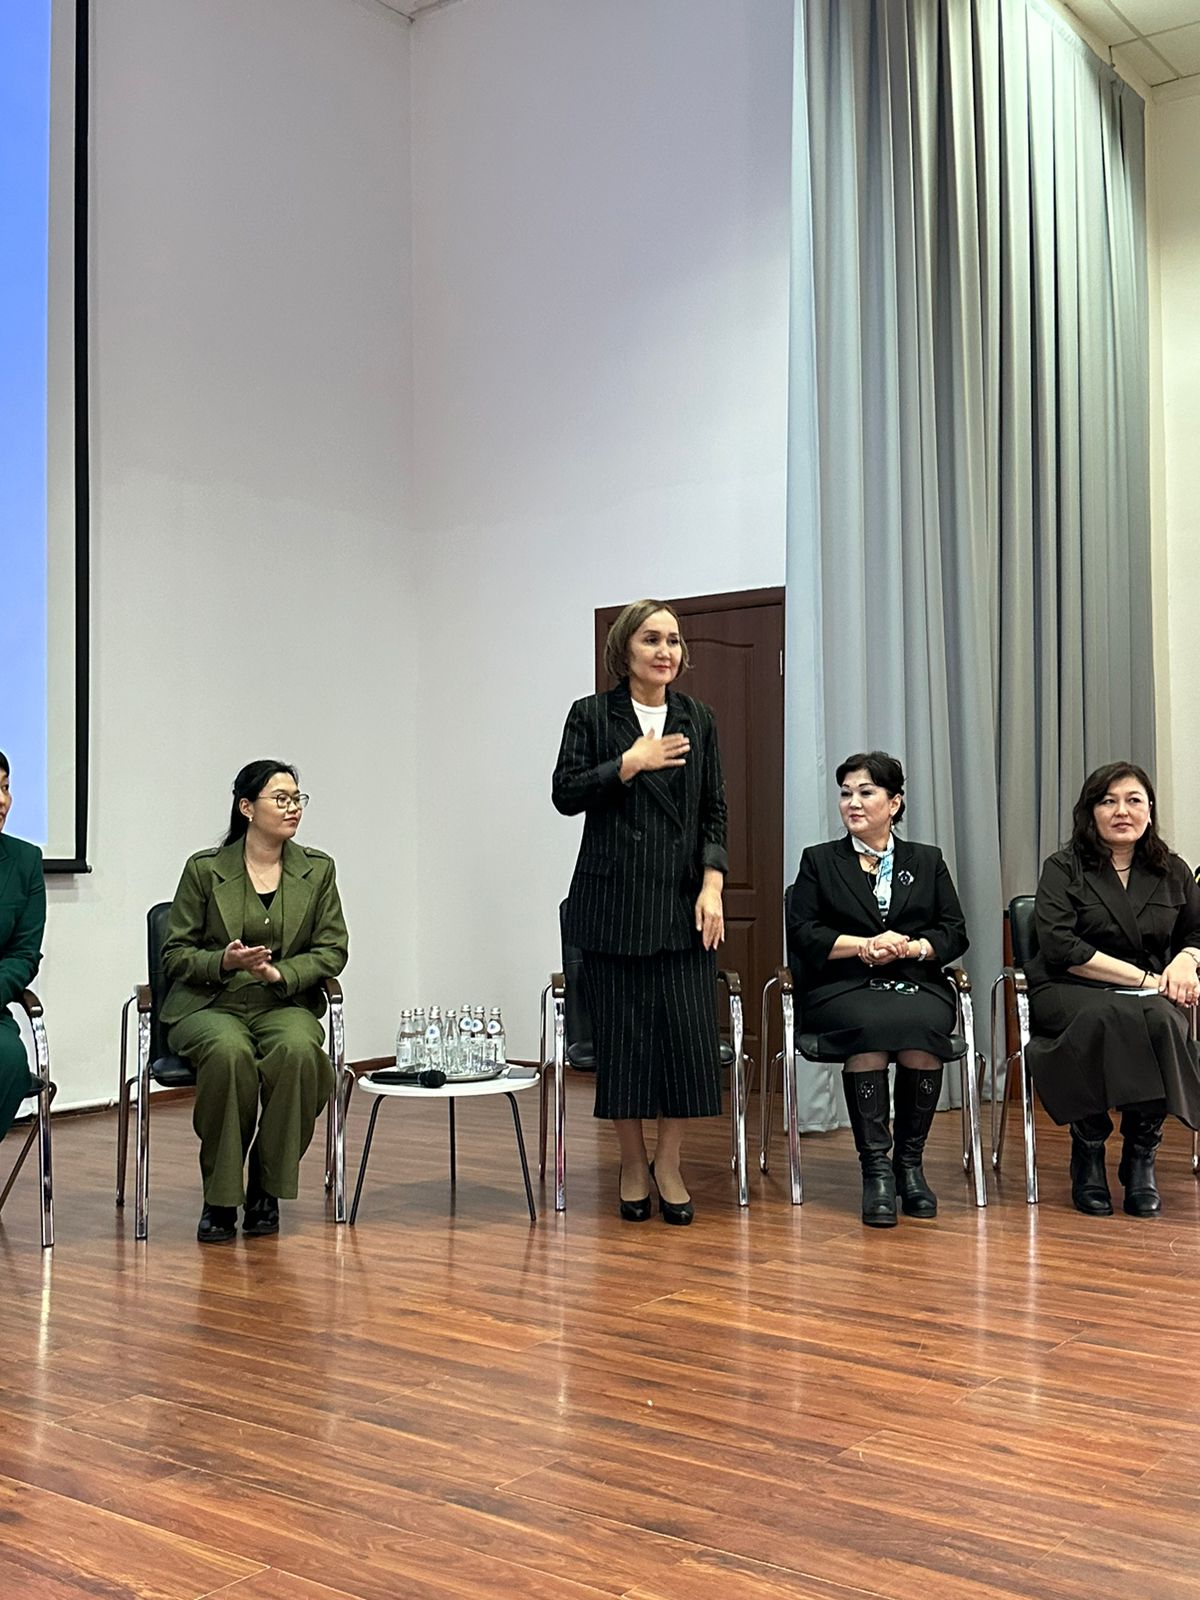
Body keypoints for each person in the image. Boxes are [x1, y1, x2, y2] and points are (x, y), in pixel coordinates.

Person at [552, 599, 727, 1225]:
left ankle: (669, 1163)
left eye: (674, 641)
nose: (665, 651)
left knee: (686, 1042)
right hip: (613, 902)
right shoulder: (591, 714)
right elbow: (565, 793)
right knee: (623, 1045)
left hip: (684, 903)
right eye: (652, 639)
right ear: (624, 649)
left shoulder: (698, 718)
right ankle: (631, 1162)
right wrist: (630, 763)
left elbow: (714, 809)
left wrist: (713, 884)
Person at [161, 761, 348, 1244]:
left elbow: (333, 949)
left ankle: (266, 1186)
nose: (292, 808)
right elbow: (175, 954)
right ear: (246, 808)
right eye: (280, 799)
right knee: (229, 1053)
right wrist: (223, 961)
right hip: (210, 1004)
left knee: (300, 1051)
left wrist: (281, 973)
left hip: (282, 1002)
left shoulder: (318, 870)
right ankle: (221, 1197)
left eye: (297, 799)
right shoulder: (205, 870)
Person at [786, 752, 968, 1227]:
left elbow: (953, 932)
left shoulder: (926, 861)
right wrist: (863, 947)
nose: (853, 803)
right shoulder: (819, 861)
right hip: (842, 986)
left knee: (922, 1029)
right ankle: (876, 1171)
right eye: (846, 793)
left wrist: (912, 948)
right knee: (868, 1028)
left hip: (915, 981)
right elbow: (804, 933)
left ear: (894, 803)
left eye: (866, 792)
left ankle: (910, 1165)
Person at [1026, 762, 1200, 1218]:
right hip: (1068, 985)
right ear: (1091, 812)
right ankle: (1088, 1148)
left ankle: (1141, 1154)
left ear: (1149, 810)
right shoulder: (1063, 867)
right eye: (1108, 801)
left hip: (1149, 993)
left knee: (1163, 1021)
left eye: (1133, 800)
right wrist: (1144, 980)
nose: (1122, 811)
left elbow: (1196, 931)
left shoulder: (1172, 869)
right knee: (1108, 1016)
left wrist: (1186, 959)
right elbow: (1060, 946)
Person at [0, 751, 46, 1144]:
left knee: (9, 1061)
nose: (2, 801)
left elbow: (24, 954)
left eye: (5, 788)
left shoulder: (24, 861)